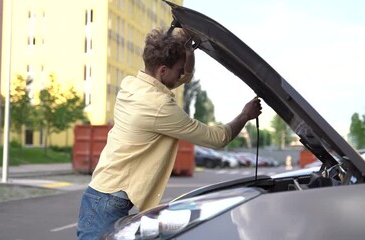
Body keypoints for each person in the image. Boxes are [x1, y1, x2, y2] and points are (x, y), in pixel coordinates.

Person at [76, 27, 262, 239]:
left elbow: (185, 76)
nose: (182, 74)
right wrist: (244, 116)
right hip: (107, 203)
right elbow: (218, 138)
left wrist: (187, 51)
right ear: (162, 71)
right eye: (178, 70)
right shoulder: (159, 106)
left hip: (103, 194)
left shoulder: (131, 85)